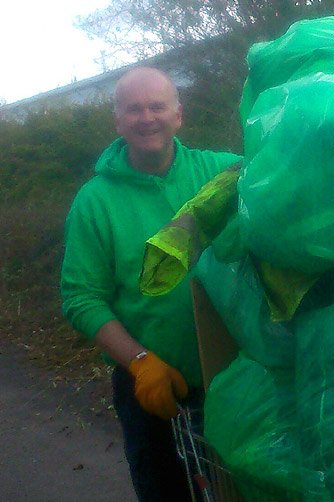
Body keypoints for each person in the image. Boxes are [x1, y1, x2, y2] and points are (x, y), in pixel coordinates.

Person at [60, 67, 242, 501]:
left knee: (243, 488)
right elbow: (81, 298)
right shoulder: (95, 201)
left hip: (233, 377)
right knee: (164, 491)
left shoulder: (222, 172)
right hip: (150, 388)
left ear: (179, 115)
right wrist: (141, 362)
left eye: (157, 106)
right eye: (134, 109)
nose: (147, 118)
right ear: (117, 122)